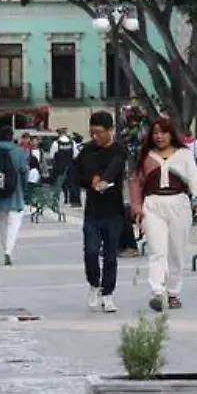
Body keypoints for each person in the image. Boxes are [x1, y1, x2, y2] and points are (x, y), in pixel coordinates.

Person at [129, 117, 197, 312]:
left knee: (176, 251)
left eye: (163, 132)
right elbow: (136, 182)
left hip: (179, 203)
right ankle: (157, 291)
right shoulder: (146, 156)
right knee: (157, 250)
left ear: (171, 134)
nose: (159, 136)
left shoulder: (184, 154)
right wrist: (136, 207)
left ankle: (173, 292)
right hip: (153, 204)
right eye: (155, 133)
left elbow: (194, 180)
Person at [75, 111, 129, 313]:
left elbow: (116, 167)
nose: (95, 137)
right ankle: (93, 283)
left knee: (110, 255)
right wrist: (91, 181)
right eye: (92, 132)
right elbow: (77, 174)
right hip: (92, 211)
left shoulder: (119, 150)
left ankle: (108, 294)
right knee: (90, 251)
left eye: (99, 132)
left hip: (113, 211)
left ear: (110, 131)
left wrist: (105, 179)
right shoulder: (86, 151)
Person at [0, 126, 30, 265]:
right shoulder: (19, 152)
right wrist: (25, 188)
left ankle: (5, 249)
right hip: (16, 192)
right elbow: (24, 172)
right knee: (14, 222)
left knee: (2, 222)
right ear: (12, 137)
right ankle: (9, 250)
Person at [51, 131, 80, 206]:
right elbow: (75, 155)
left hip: (59, 166)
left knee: (58, 184)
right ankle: (75, 201)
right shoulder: (72, 142)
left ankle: (55, 200)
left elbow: (52, 156)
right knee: (73, 184)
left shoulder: (56, 143)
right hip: (70, 166)